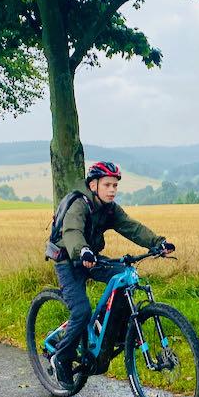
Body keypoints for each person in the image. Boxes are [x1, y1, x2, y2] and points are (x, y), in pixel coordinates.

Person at [49, 162, 174, 385]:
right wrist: (82, 250)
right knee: (81, 312)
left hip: (91, 258)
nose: (112, 190)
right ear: (93, 185)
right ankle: (62, 357)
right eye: (107, 185)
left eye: (115, 185)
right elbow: (72, 231)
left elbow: (131, 227)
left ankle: (115, 330)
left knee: (124, 276)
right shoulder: (80, 204)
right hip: (68, 259)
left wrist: (158, 243)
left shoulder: (110, 208)